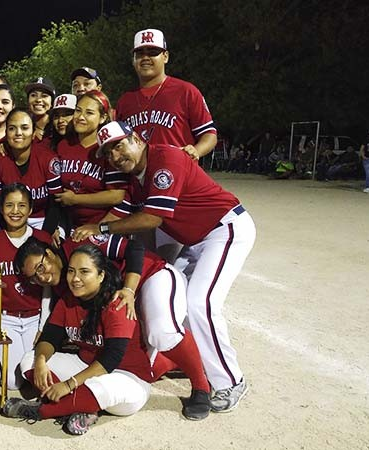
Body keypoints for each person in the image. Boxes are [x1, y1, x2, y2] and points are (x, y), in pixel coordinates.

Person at [75, 121, 256, 413]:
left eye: (119, 146)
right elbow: (121, 212)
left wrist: (103, 228)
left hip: (225, 229)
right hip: (195, 240)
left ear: (136, 139)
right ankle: (193, 361)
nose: (115, 156)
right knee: (172, 300)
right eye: (108, 153)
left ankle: (231, 381)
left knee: (200, 303)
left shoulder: (165, 159)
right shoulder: (136, 179)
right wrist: (86, 234)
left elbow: (152, 219)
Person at [15, 231, 213, 420]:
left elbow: (135, 248)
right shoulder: (67, 287)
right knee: (138, 348)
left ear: (49, 254)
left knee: (161, 332)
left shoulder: (79, 243)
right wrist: (41, 360)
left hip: (149, 274)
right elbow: (53, 334)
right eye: (33, 278)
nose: (41, 278)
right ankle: (81, 404)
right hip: (109, 298)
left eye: (40, 268)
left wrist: (128, 289)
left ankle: (201, 386)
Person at [2, 245, 153, 436]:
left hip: (127, 378)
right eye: (71, 271)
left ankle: (43, 410)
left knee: (101, 387)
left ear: (101, 275)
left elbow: (110, 360)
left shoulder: (117, 303)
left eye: (84, 272)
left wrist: (68, 385)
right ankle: (83, 408)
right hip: (86, 366)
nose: (75, 278)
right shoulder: (68, 299)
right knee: (29, 360)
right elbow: (50, 338)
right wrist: (40, 361)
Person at [0, 184, 52, 389]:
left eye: (22, 205)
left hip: (34, 319)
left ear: (30, 209)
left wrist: (43, 328)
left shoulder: (42, 239)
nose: (15, 211)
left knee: (33, 373)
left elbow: (48, 289)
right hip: (6, 319)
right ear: (1, 209)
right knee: (13, 383)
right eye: (9, 205)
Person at [116, 29, 217, 160]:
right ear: (133, 60)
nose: (145, 58)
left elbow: (209, 134)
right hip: (139, 173)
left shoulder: (186, 91)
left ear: (165, 56)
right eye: (140, 53)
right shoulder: (125, 101)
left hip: (178, 170)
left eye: (153, 52)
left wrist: (196, 151)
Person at [54, 91, 125, 228]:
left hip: (101, 224)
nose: (81, 117)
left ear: (102, 118)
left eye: (89, 113)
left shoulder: (109, 148)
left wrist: (75, 199)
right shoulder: (63, 145)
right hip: (67, 224)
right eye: (78, 111)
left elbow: (117, 195)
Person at [0, 108, 63, 241]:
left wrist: (44, 236)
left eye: (24, 128)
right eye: (12, 128)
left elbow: (55, 205)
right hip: (8, 220)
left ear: (33, 133)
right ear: (6, 133)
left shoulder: (47, 159)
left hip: (41, 220)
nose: (18, 133)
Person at [24, 77, 55, 142]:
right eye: (33, 95)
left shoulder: (58, 127)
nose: (38, 100)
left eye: (44, 96)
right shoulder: (21, 128)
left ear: (52, 102)